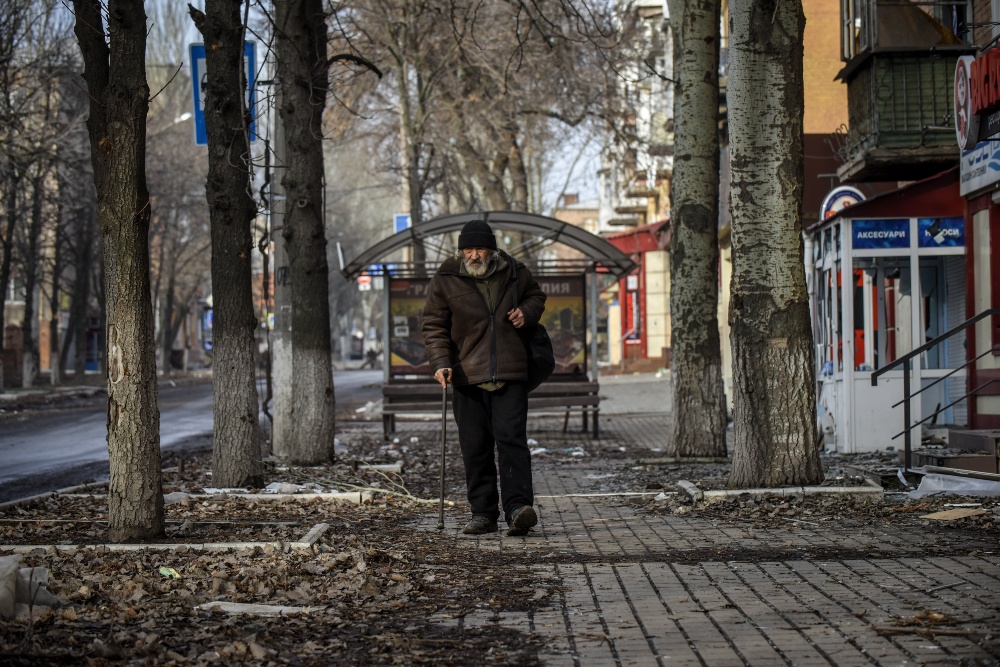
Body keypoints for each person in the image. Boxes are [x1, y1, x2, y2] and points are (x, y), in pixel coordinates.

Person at [421, 219, 547, 536]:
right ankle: (483, 514)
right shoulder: (446, 278)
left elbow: (536, 296)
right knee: (475, 446)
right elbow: (434, 325)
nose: (474, 255)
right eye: (468, 249)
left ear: (491, 250)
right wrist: (440, 362)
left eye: (480, 249)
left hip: (510, 370)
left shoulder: (514, 271)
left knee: (512, 442)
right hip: (466, 374)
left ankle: (518, 508)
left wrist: (526, 312)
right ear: (461, 250)